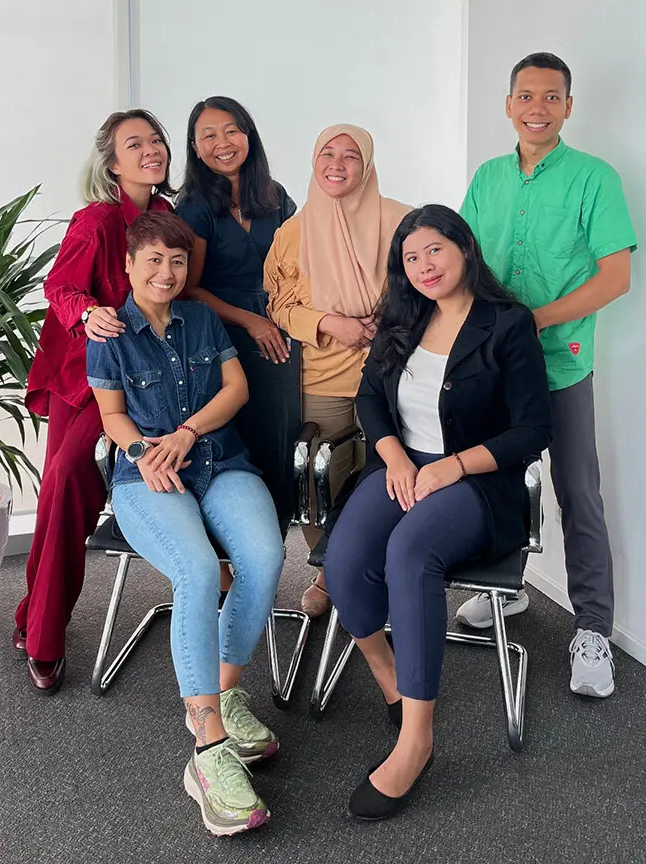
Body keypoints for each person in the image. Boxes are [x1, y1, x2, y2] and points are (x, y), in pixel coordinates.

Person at [323, 205, 552, 821]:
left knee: (410, 552)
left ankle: (416, 740)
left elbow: (534, 427)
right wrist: (395, 458)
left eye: (435, 251)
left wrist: (453, 466)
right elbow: (371, 395)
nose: (424, 266)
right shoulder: (404, 315)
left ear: (464, 249)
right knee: (342, 564)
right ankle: (390, 676)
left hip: (476, 480)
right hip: (404, 465)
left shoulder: (507, 324)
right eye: (411, 257)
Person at [86, 211, 283, 836]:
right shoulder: (109, 331)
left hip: (218, 459)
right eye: (153, 261)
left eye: (176, 262)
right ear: (129, 265)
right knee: (198, 573)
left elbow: (237, 389)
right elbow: (111, 415)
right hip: (147, 475)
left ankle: (222, 693)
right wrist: (146, 452)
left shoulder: (200, 318)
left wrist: (187, 432)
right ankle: (206, 750)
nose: (166, 273)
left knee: (265, 557)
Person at [458, 52, 637, 698]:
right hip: (495, 365)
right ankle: (504, 592)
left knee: (577, 491)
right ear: (508, 105)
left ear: (568, 106)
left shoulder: (594, 178)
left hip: (562, 365)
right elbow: (465, 262)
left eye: (551, 97)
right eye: (526, 96)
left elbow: (616, 277)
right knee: (494, 476)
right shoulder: (487, 179)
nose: (538, 107)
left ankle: (592, 628)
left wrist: (536, 318)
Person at [16, 109, 174, 694]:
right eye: (135, 144)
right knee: (65, 483)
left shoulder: (165, 215)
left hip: (146, 378)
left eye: (156, 140)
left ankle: (30, 615)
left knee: (63, 491)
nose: (150, 150)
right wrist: (88, 311)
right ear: (111, 161)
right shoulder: (98, 219)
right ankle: (45, 636)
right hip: (86, 377)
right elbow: (59, 286)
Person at [264, 124, 410, 616]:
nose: (338, 164)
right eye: (329, 153)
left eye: (351, 156)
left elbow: (429, 288)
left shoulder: (401, 221)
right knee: (316, 478)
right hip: (320, 376)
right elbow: (279, 307)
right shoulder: (293, 231)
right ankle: (331, 575)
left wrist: (384, 323)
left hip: (390, 375)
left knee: (389, 479)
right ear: (313, 159)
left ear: (366, 165)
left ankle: (386, 571)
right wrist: (331, 322)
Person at [175, 96, 299, 549]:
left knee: (282, 443)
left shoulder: (275, 195)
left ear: (249, 134)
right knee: (234, 447)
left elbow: (302, 263)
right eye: (208, 135)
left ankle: (272, 558)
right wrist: (250, 321)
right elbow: (188, 288)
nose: (222, 143)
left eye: (231, 130)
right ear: (194, 146)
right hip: (220, 334)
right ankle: (228, 568)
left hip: (279, 331)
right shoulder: (193, 206)